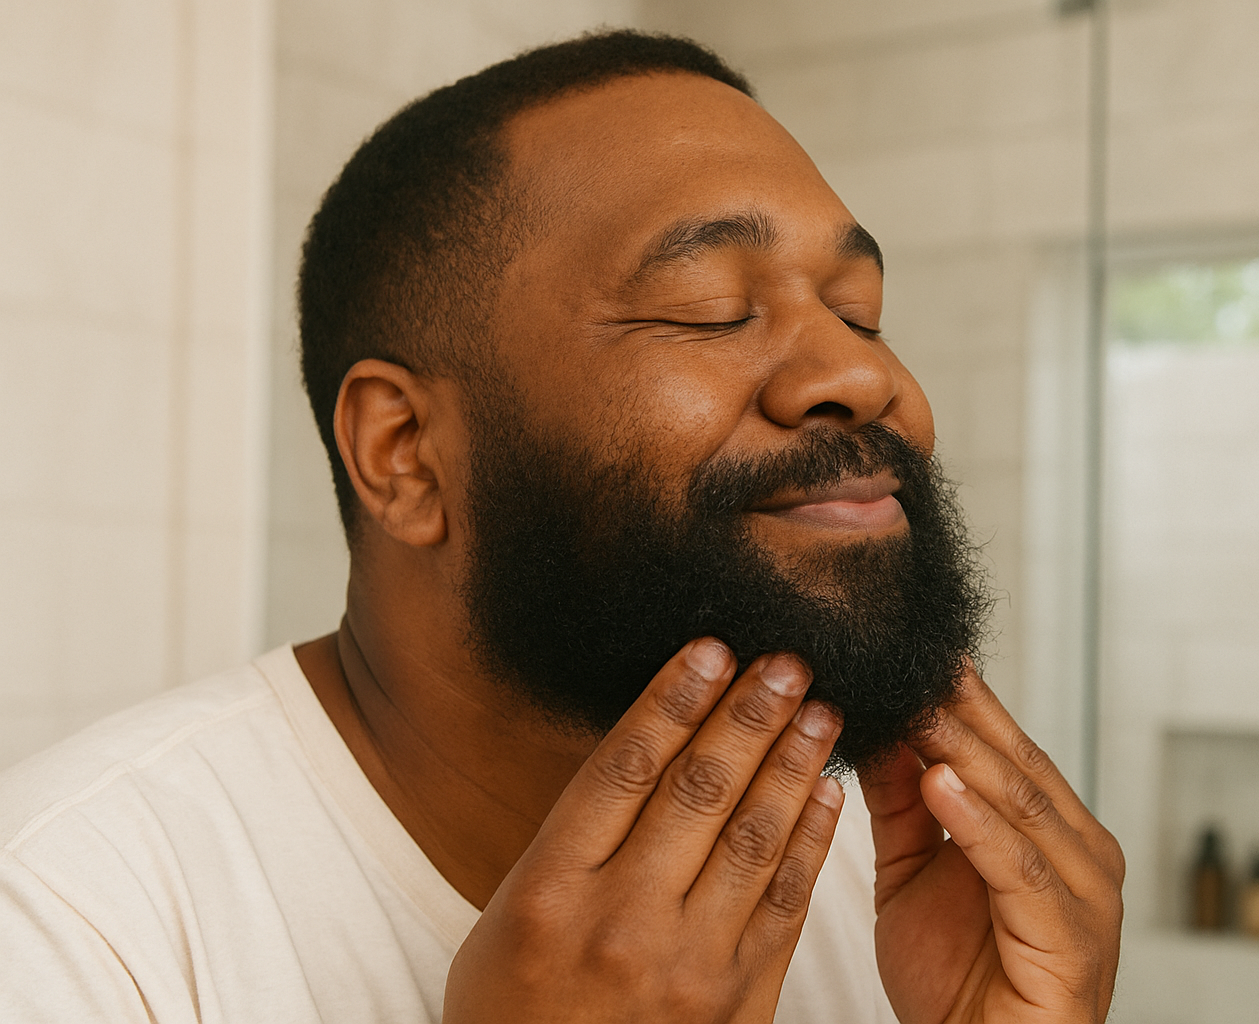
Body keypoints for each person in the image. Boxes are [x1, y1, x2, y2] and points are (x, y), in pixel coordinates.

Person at [0, 30, 1123, 1023]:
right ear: (404, 454)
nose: (863, 373)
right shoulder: (72, 926)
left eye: (860, 310)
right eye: (710, 308)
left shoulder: (851, 868)